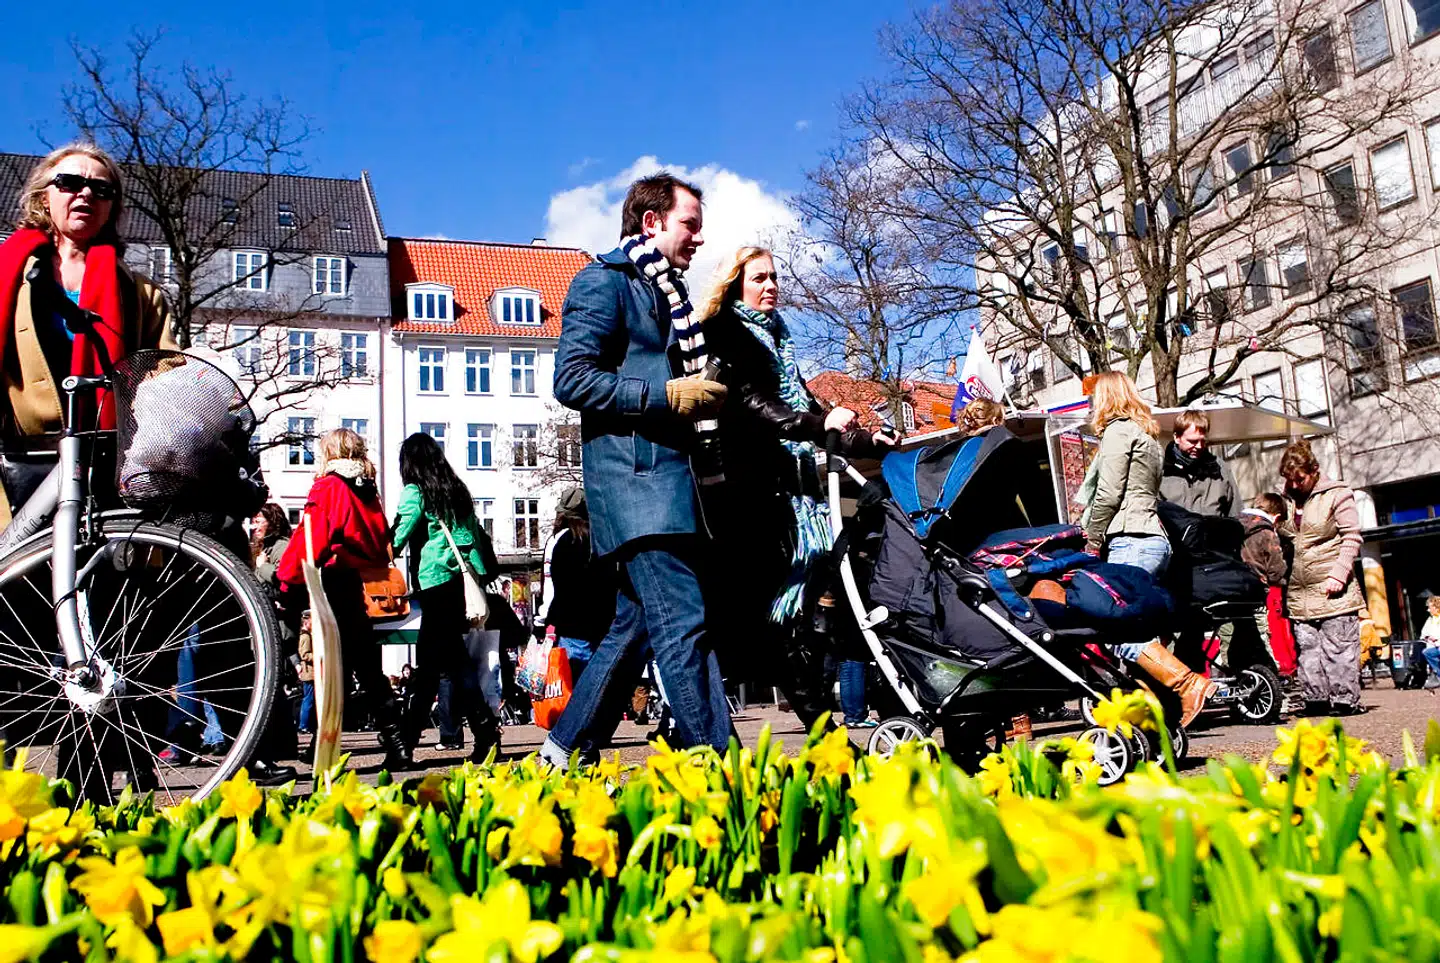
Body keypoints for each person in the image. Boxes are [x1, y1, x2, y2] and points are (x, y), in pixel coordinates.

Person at [542, 172, 733, 766]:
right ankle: (714, 764)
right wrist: (667, 396)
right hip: (638, 486)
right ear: (651, 223)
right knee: (683, 620)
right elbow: (570, 379)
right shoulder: (604, 283)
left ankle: (562, 748)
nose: (698, 238)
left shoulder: (666, 296)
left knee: (635, 629)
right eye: (690, 225)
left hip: (665, 485)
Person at [700, 245, 895, 729]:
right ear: (734, 284)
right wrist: (817, 424)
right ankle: (818, 728)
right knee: (780, 618)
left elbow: (805, 403)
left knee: (796, 618)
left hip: (788, 489)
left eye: (774, 278)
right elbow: (754, 403)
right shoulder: (726, 333)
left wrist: (865, 439)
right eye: (759, 278)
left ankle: (825, 726)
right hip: (752, 494)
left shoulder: (778, 339)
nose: (770, 286)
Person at [0, 144, 179, 526]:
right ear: (43, 198)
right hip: (13, 459)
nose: (85, 194)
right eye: (69, 183)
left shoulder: (141, 294)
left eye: (101, 189)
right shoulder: (6, 277)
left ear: (112, 207)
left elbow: (166, 376)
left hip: (106, 463)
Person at [1081, 371, 1213, 727]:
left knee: (1118, 635)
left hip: (1130, 539)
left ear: (1106, 398)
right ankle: (1156, 715)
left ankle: (1187, 685)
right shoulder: (1149, 435)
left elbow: (1108, 494)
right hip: (1153, 539)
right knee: (1138, 632)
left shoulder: (1117, 432)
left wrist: (1091, 537)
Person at [276, 428, 411, 769]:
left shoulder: (329, 486)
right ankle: (395, 743)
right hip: (359, 583)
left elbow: (311, 537)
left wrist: (287, 582)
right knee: (364, 666)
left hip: (335, 580)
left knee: (332, 668)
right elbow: (380, 537)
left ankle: (328, 746)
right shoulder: (367, 489)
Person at [392, 432, 499, 761]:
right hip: (459, 584)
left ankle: (408, 743)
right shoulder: (457, 490)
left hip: (434, 583)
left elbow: (399, 533)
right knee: (439, 663)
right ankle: (410, 742)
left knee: (442, 665)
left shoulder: (415, 492)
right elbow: (476, 536)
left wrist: (381, 549)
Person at [1279, 439, 1366, 716]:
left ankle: (1344, 700)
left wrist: (1339, 575)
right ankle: (1314, 699)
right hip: (1299, 590)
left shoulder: (1337, 494)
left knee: (1339, 648)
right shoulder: (1288, 502)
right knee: (1307, 649)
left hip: (1332, 587)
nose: (1293, 485)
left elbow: (1352, 537)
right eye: (1288, 480)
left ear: (1314, 470)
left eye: (1299, 479)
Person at [539, 487, 616, 683]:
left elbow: (558, 588)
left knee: (572, 692)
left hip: (572, 629)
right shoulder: (603, 540)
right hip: (603, 629)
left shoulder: (562, 542)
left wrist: (548, 623)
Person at [1240, 492, 1300, 705]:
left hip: (1237, 590)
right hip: (1262, 591)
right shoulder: (1266, 532)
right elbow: (1276, 570)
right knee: (1271, 637)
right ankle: (1279, 683)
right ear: (1276, 517)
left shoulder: (1235, 525)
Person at [1159, 409, 1241, 518]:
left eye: (1202, 441)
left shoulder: (1220, 469)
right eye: (1192, 441)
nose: (1199, 446)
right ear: (1177, 438)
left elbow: (1236, 514)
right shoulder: (1160, 471)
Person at [251, 503, 293, 589]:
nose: (253, 527)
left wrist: (263, 566)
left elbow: (284, 581)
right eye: (253, 522)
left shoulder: (282, 547)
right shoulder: (264, 546)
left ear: (271, 522)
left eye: (258, 522)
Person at [296, 612, 316, 734]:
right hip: (309, 673)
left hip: (310, 672)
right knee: (308, 699)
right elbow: (304, 654)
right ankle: (303, 725)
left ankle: (306, 724)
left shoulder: (306, 635)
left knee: (309, 699)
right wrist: (318, 656)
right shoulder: (305, 637)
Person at [1419, 596, 1440, 690]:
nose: (1428, 610)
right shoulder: (1430, 619)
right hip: (1435, 646)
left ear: (1436, 607)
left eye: (1430, 607)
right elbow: (1423, 634)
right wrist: (1429, 638)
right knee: (1426, 652)